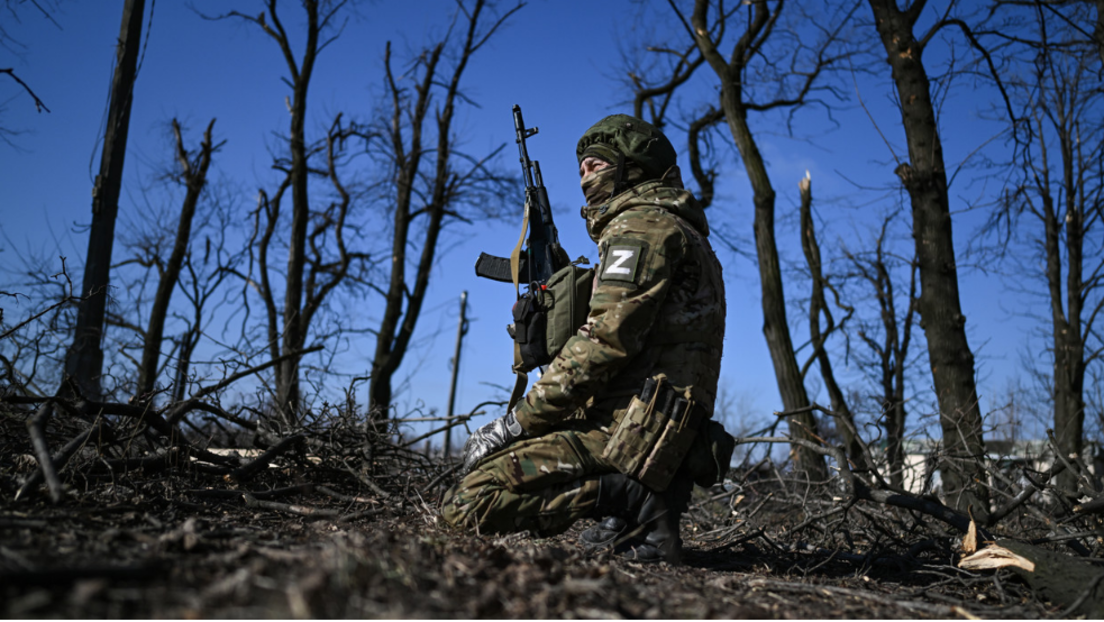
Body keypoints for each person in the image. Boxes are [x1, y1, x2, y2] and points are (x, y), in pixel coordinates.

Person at [441, 114, 729, 563]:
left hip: (627, 432)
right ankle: (631, 512)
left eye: (598, 165)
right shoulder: (674, 228)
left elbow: (603, 343)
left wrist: (515, 424)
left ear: (633, 168)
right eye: (581, 168)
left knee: (468, 502)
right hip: (651, 429)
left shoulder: (641, 229)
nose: (585, 176)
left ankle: (631, 498)